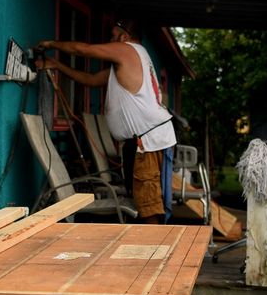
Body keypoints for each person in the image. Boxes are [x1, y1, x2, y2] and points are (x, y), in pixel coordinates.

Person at [35, 19, 176, 224]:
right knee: (146, 200)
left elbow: (85, 50)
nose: (111, 40)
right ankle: (152, 245)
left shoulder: (127, 50)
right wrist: (56, 65)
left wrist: (51, 44)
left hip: (147, 141)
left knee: (148, 204)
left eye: (113, 35)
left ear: (125, 36)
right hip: (148, 138)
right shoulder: (132, 60)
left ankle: (154, 249)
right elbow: (91, 80)